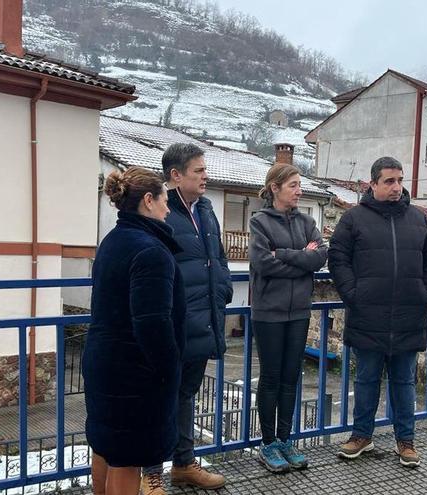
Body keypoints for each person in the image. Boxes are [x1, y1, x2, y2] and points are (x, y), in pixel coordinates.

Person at [328, 156, 427, 468]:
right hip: (368, 315)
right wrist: (353, 294)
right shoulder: (354, 219)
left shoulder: (418, 219)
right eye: (389, 181)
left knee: (404, 382)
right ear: (373, 184)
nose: (396, 187)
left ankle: (406, 441)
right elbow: (337, 258)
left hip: (409, 314)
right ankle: (361, 436)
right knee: (366, 380)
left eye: (400, 180)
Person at [84, 168, 185, 495]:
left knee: (106, 447)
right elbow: (153, 324)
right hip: (135, 373)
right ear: (148, 200)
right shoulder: (152, 251)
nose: (168, 209)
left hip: (104, 363)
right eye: (165, 200)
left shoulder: (113, 240)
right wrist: (170, 370)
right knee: (128, 457)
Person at [155, 142, 231, 490]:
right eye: (198, 170)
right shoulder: (158, 209)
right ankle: (150, 474)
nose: (205, 176)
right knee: (160, 397)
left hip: (203, 320)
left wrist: (223, 292)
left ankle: (183, 464)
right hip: (171, 322)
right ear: (175, 175)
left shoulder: (206, 209)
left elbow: (219, 258)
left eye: (204, 169)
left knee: (185, 394)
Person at [248, 163, 328, 473]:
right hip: (269, 312)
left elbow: (320, 256)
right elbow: (262, 263)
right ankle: (268, 444)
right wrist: (301, 259)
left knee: (291, 377)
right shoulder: (260, 222)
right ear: (275, 188)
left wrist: (283, 253)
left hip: (299, 312)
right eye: (293, 185)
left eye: (299, 184)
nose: (299, 190)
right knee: (271, 377)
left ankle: (285, 439)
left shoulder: (307, 220)